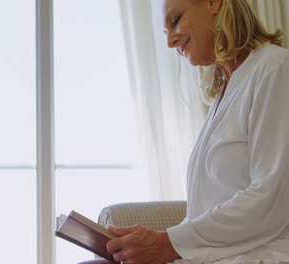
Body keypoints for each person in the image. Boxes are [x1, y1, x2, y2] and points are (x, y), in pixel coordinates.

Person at [105, 0, 289, 263]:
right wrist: (156, 243)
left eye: (176, 20)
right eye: (165, 31)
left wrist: (166, 243)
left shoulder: (275, 69)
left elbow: (270, 199)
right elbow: (204, 213)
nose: (170, 41)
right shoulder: (225, 93)